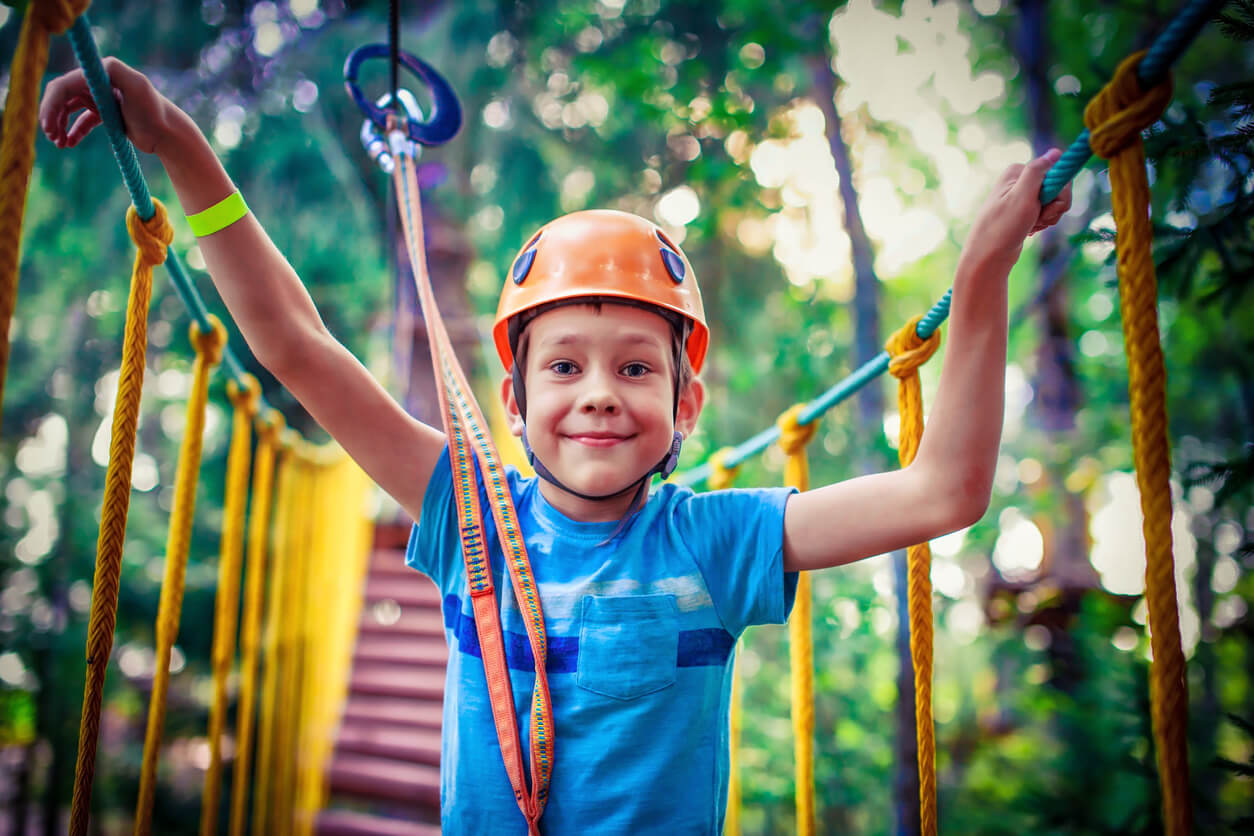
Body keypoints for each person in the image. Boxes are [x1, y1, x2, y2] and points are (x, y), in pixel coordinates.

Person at [41, 58, 1071, 834]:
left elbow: (944, 491)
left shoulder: (719, 543)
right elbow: (297, 348)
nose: (599, 396)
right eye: (564, 366)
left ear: (688, 399)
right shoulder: (467, 516)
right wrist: (178, 141)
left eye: (636, 368)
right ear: (513, 397)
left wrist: (982, 270)